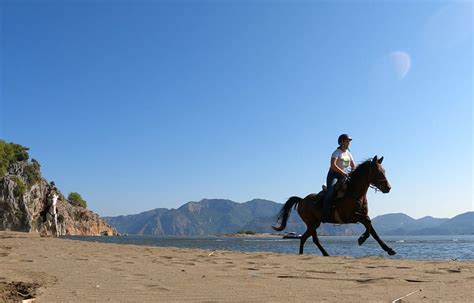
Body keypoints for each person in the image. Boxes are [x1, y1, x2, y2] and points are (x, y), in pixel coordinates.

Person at [322, 134, 356, 222]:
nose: (349, 143)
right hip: (334, 175)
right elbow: (333, 165)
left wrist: (353, 171)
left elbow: (353, 165)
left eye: (349, 141)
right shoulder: (336, 152)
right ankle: (325, 213)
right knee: (331, 190)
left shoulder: (348, 153)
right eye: (347, 141)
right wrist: (343, 172)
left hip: (344, 175)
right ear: (341, 142)